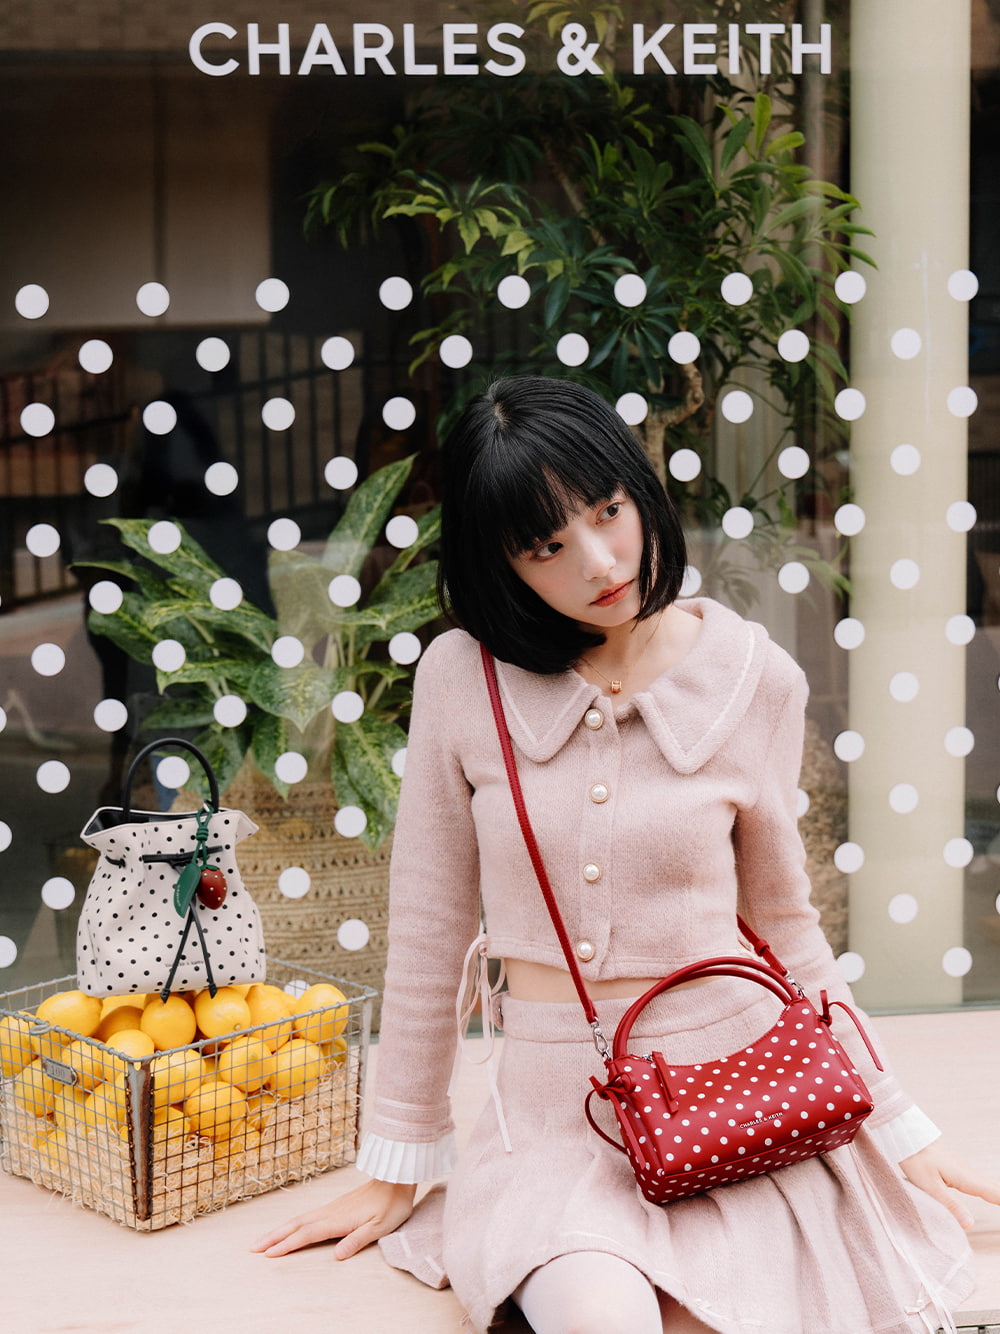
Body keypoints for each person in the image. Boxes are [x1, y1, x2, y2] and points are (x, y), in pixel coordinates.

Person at [252, 375, 997, 1333]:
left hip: (734, 1099)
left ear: (640, 493)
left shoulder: (755, 679)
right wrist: (401, 1162)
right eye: (546, 547)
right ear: (503, 565)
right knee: (600, 1316)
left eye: (609, 512)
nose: (600, 562)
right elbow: (432, 930)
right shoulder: (462, 679)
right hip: (559, 1124)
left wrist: (893, 1120)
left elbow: (785, 926)